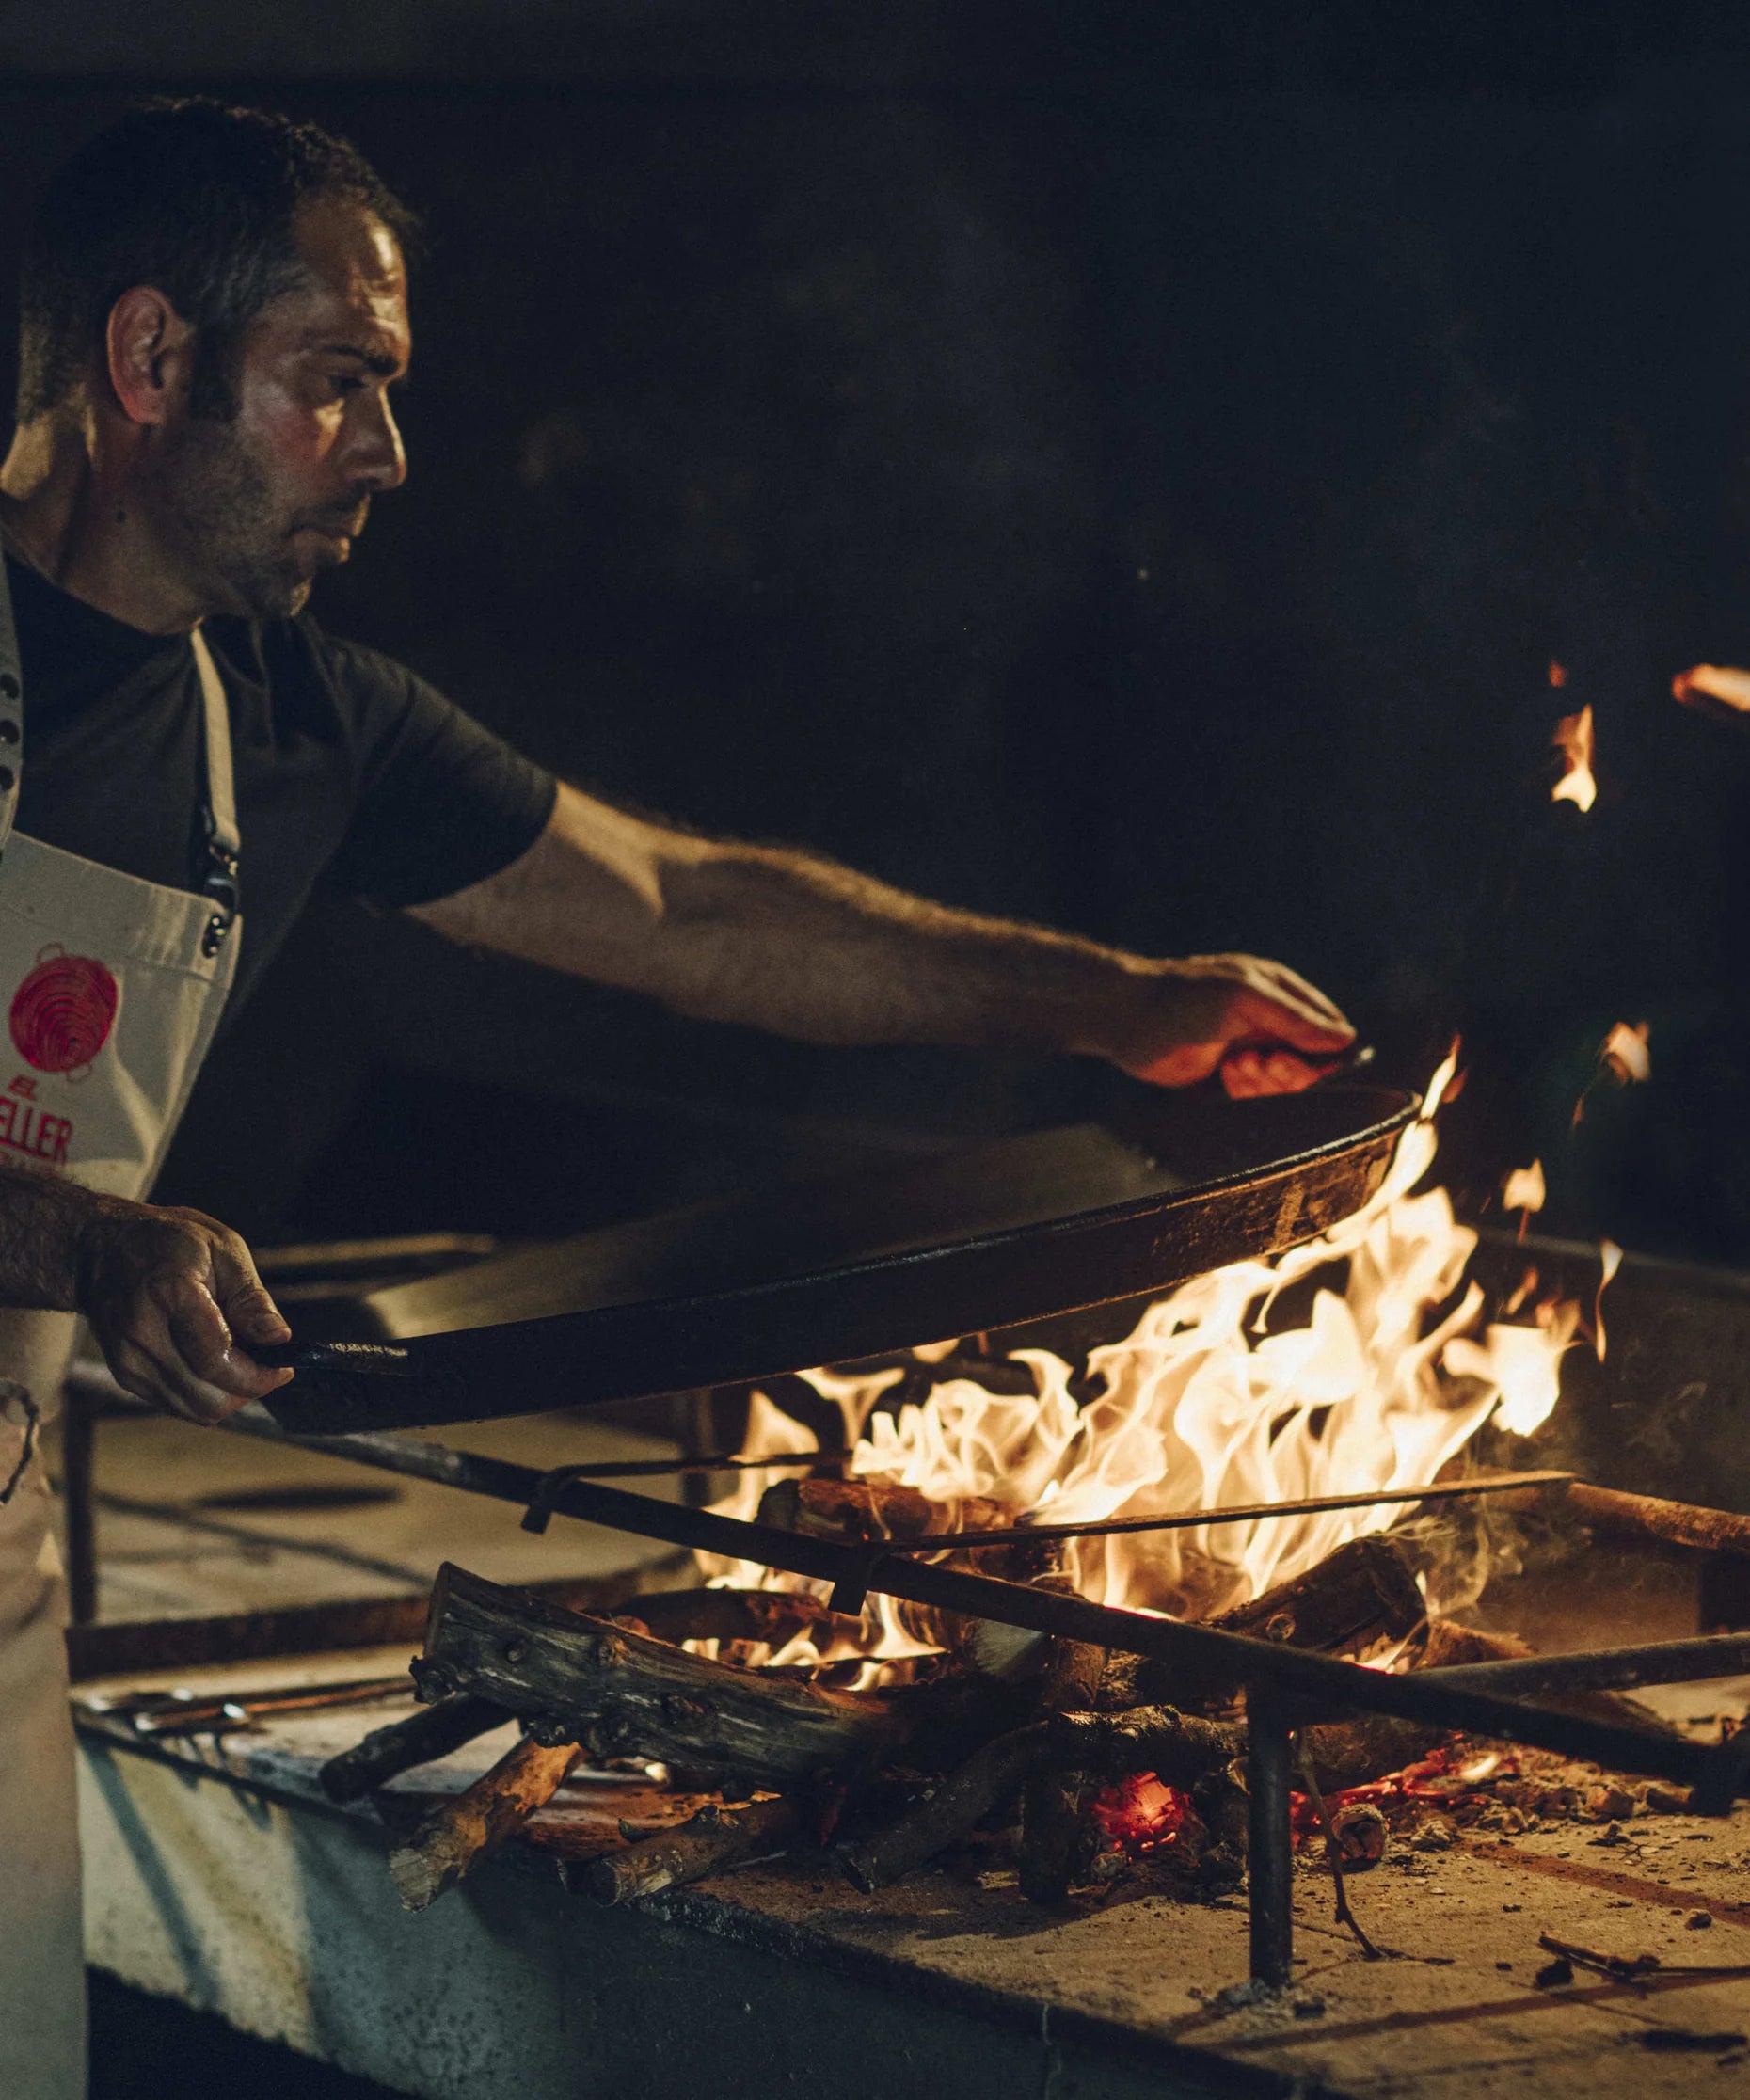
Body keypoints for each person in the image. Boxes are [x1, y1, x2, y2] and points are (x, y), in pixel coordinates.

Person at [0, 98, 1353, 2092]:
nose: (387, 450)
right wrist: (77, 1235)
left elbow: (685, 907)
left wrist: (1118, 1004)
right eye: (339, 383)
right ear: (146, 362)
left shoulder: (294, 727)